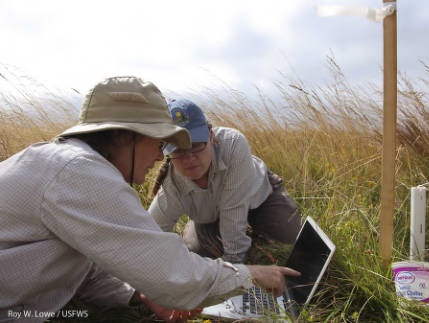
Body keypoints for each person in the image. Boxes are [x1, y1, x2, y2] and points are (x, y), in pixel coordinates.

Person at [0, 76, 300, 323]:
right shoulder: (80, 172)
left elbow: (84, 266)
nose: (161, 156)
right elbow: (171, 273)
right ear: (126, 136)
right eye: (159, 143)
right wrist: (251, 276)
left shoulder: (68, 165)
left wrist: (137, 294)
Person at [148, 99, 302, 264]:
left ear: (211, 136)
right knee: (196, 250)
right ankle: (209, 231)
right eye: (178, 150)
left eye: (196, 145)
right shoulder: (172, 185)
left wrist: (236, 272)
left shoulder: (233, 144)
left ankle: (254, 235)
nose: (189, 159)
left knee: (290, 232)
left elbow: (233, 216)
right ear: (166, 152)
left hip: (258, 198)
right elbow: (148, 234)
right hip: (213, 217)